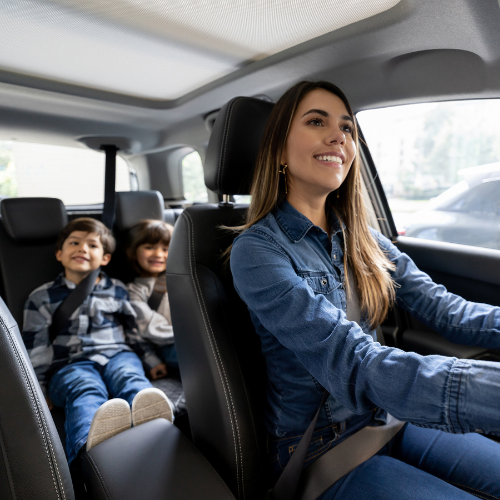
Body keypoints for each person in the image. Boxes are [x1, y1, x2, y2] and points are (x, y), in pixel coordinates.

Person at [229, 81, 500, 499]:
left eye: (347, 128)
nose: (339, 135)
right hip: (321, 445)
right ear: (279, 149)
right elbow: (353, 360)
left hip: (387, 416)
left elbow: (449, 312)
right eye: (316, 121)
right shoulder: (256, 252)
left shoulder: (365, 238)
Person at [22, 217, 174, 466]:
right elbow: (35, 347)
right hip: (70, 364)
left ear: (105, 258)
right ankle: (89, 457)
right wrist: (39, 388)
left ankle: (156, 428)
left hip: (118, 354)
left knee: (130, 377)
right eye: (75, 243)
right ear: (60, 254)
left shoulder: (117, 289)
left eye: (92, 245)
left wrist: (151, 359)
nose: (83, 249)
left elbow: (132, 331)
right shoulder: (41, 297)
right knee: (85, 390)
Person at [126, 219, 178, 373]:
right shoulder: (134, 290)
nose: (158, 254)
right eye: (149, 247)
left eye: (166, 249)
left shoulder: (183, 280)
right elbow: (151, 328)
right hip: (167, 346)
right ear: (133, 252)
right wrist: (196, 336)